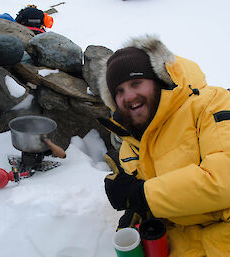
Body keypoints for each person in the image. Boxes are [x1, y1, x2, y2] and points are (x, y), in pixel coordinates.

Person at [97, 34, 230, 256]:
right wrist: (138, 211)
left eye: (136, 83)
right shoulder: (131, 143)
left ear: (158, 79)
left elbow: (223, 179)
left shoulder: (211, 104)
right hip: (181, 243)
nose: (128, 96)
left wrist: (143, 195)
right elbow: (158, 196)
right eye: (119, 91)